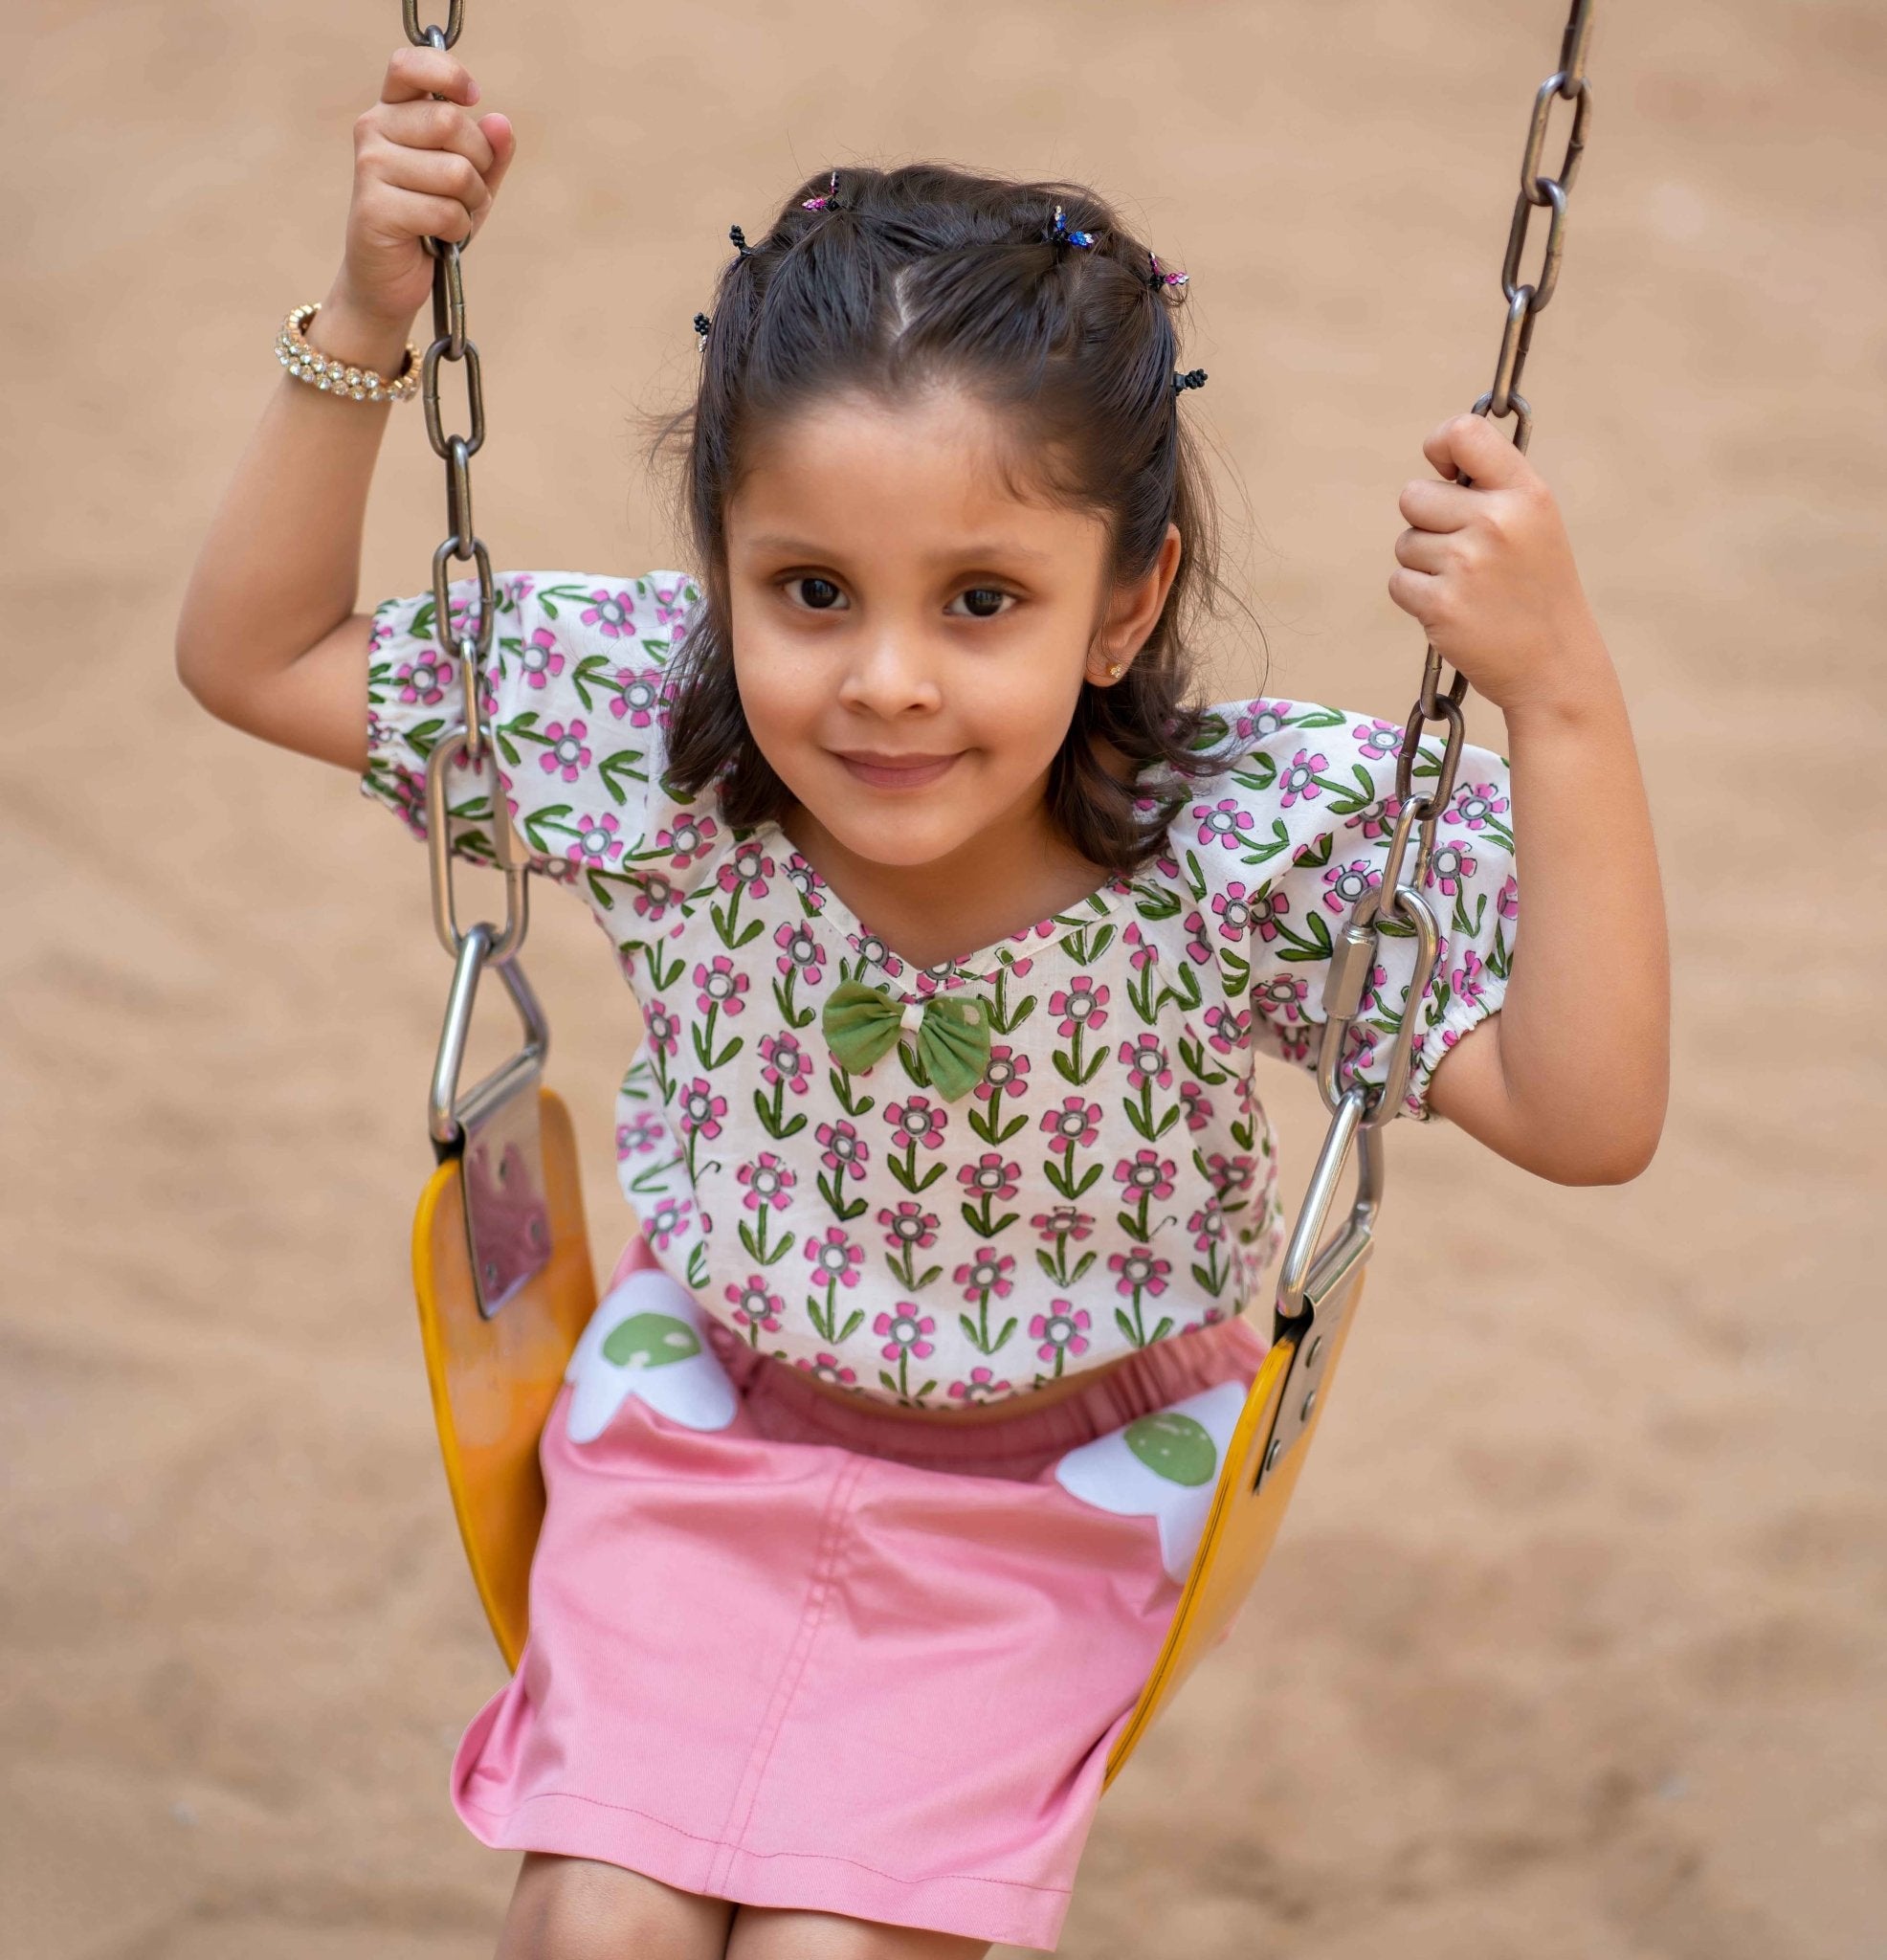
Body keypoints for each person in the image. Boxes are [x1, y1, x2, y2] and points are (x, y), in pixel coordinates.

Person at [173, 36, 1670, 1960]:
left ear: (1123, 606)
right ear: (717, 571)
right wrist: (370, 318)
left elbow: (1585, 1112)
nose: (881, 680)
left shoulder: (1237, 858)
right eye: (808, 589)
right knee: (590, 1928)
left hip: (1059, 1492)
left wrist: (1555, 696)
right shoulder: (658, 753)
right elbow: (260, 650)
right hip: (704, 1425)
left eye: (979, 599)